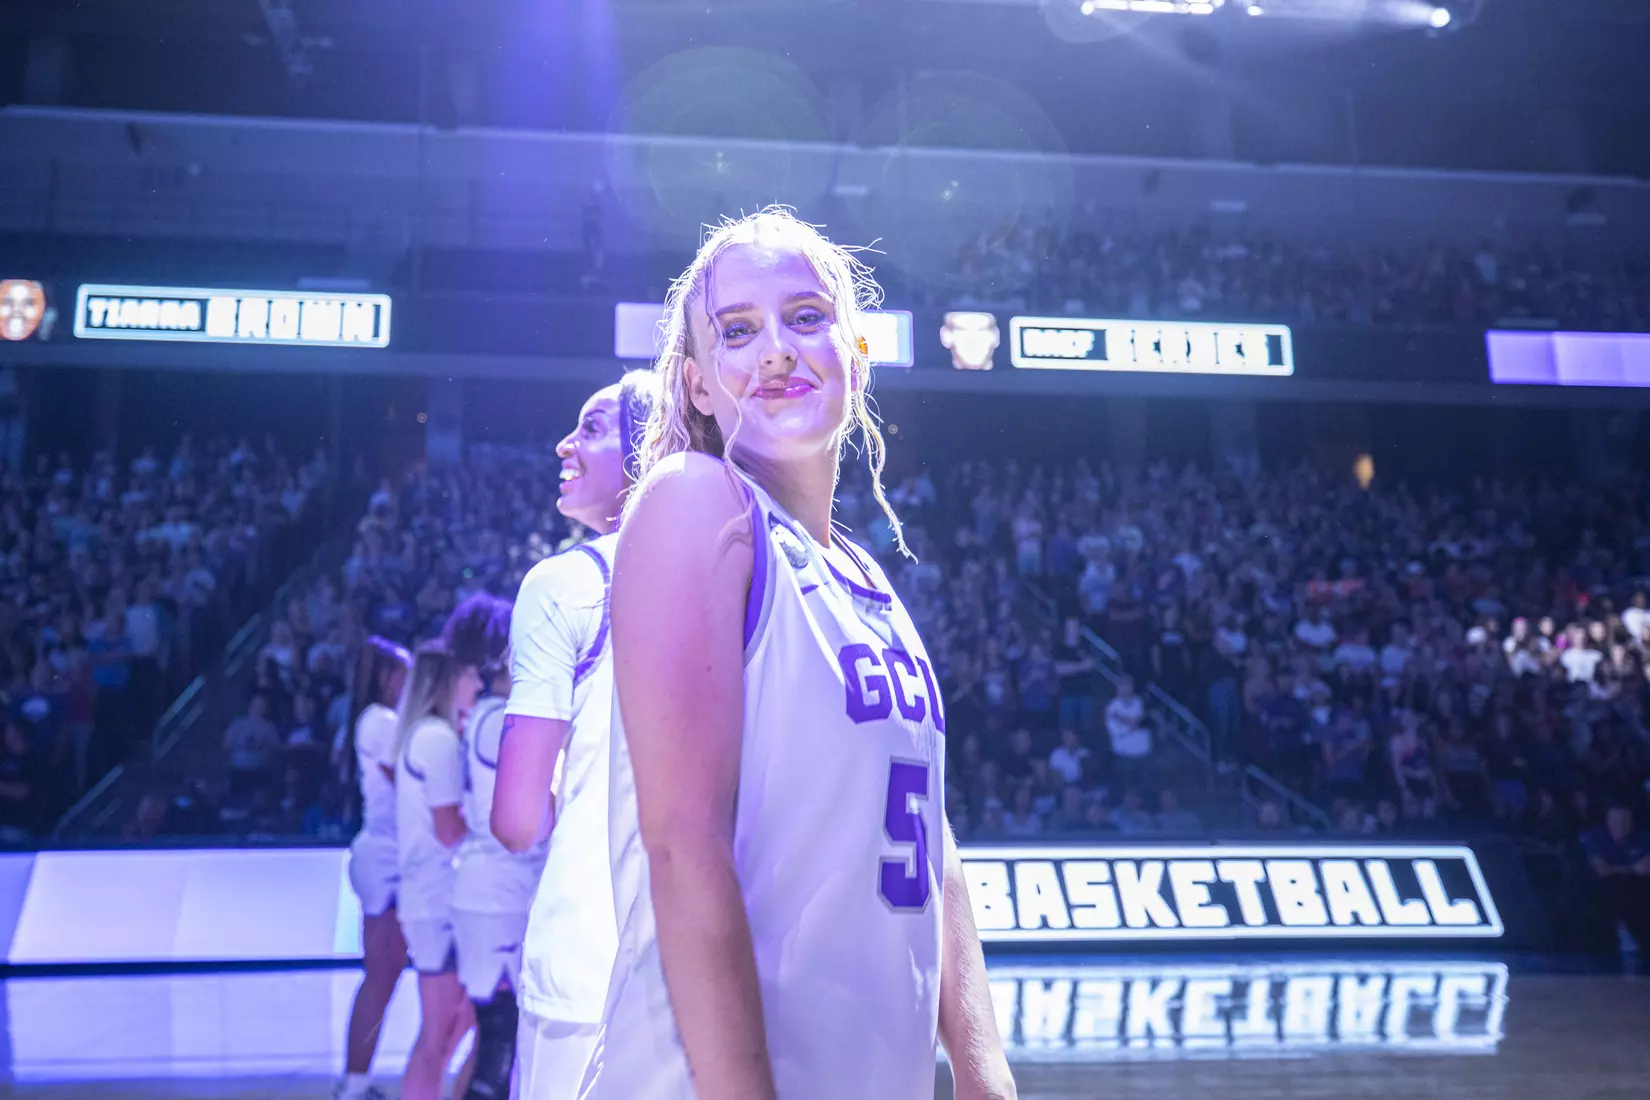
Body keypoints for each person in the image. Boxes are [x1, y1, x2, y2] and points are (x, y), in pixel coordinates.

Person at [588, 210, 1014, 1100]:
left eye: (807, 318)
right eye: (738, 332)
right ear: (699, 386)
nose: (777, 350)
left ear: (854, 356)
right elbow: (680, 845)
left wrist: (983, 1074)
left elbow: (932, 844)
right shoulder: (695, 502)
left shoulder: (867, 577)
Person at [490, 371, 659, 1100]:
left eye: (591, 428)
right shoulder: (750, 575)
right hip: (710, 974)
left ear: (648, 449)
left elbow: (516, 821)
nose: (565, 442)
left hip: (586, 961)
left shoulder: (564, 583)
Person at [442, 594, 536, 1100]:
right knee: (501, 1042)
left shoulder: (484, 716)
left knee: (494, 1041)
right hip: (500, 892)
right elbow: (529, 819)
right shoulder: (500, 719)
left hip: (490, 890)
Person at [395, 644, 484, 1100]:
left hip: (428, 898)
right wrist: (492, 825)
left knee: (450, 1026)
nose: (479, 686)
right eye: (470, 677)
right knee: (442, 1031)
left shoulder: (424, 735)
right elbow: (450, 829)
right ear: (449, 684)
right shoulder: (437, 739)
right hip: (437, 898)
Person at [336, 637, 411, 1100]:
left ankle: (356, 1083)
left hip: (390, 858)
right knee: (381, 976)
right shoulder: (381, 722)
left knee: (384, 976)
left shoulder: (380, 721)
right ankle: (354, 1085)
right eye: (406, 673)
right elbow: (410, 782)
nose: (412, 683)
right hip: (384, 859)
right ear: (386, 678)